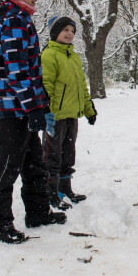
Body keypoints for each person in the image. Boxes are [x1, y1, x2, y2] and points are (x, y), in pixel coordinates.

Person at [0, 0, 67, 244]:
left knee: (33, 161)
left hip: (23, 104)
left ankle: (39, 212)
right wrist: (32, 107)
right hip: (12, 106)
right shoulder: (14, 20)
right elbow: (17, 70)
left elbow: (30, 70)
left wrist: (39, 105)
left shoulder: (20, 17)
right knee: (8, 164)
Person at [41, 15, 97, 210]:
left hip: (72, 115)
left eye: (72, 31)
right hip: (54, 116)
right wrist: (45, 110)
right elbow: (45, 84)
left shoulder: (73, 57)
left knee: (68, 153)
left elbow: (82, 85)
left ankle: (65, 189)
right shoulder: (49, 55)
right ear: (55, 32)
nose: (70, 34)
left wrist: (89, 110)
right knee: (52, 155)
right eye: (65, 30)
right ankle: (51, 194)